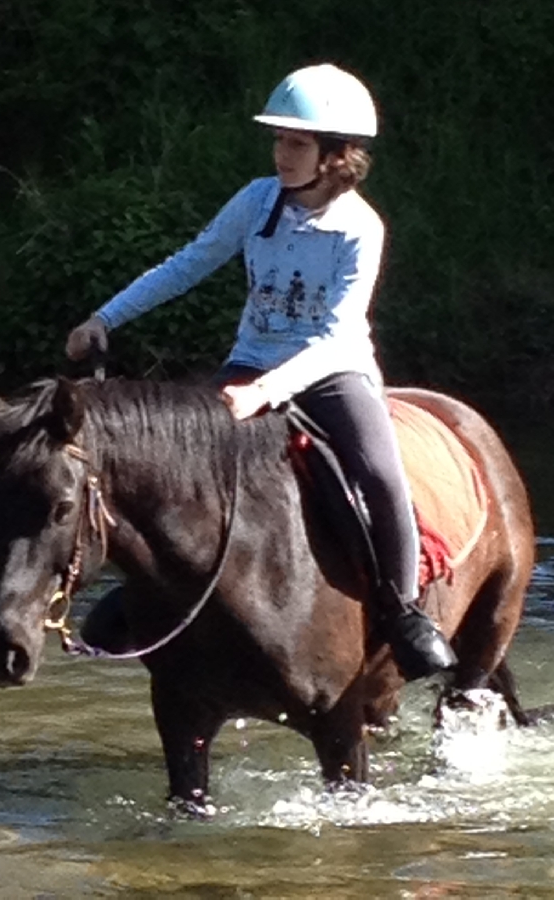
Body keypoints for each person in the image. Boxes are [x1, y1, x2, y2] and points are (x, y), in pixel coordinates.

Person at [66, 63, 456, 681]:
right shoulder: (256, 200)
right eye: (278, 140)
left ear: (335, 155)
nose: (281, 152)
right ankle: (149, 595)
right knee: (176, 472)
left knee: (381, 478)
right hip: (250, 362)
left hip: (332, 371)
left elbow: (335, 334)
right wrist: (107, 316)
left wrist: (266, 392)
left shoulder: (360, 227)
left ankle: (402, 610)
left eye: (296, 143)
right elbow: (190, 263)